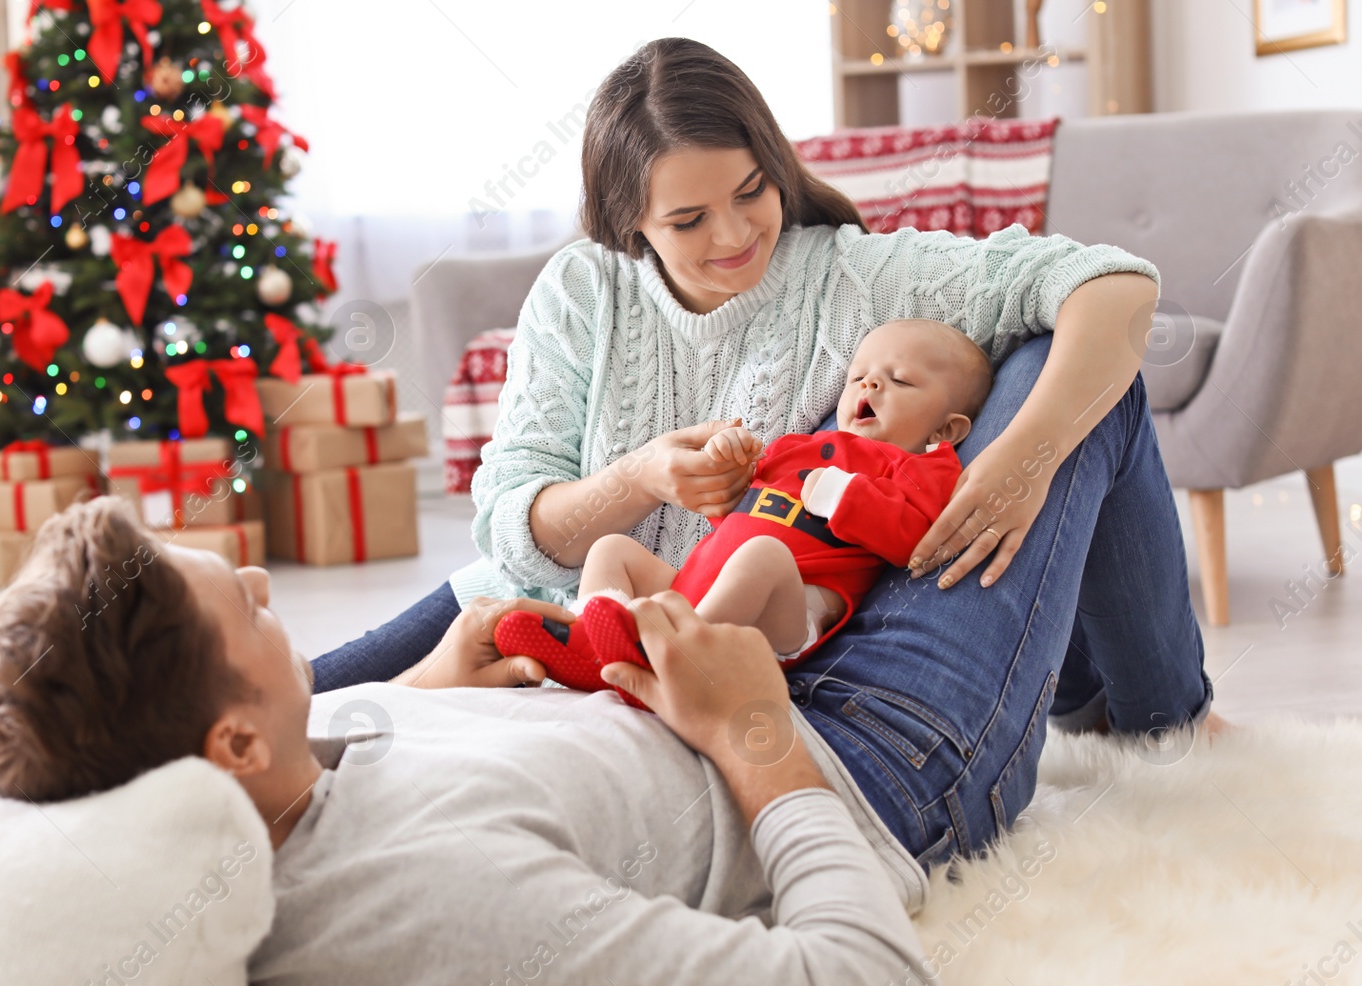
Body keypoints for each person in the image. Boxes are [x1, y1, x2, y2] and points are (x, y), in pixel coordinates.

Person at [312, 37, 1218, 867]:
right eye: (689, 219)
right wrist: (637, 478)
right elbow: (511, 528)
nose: (736, 235)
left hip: (758, 631)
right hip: (564, 601)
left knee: (1062, 371)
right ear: (630, 223)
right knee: (277, 704)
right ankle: (1121, 699)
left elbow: (1112, 282)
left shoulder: (847, 274)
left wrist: (1019, 459)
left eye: (752, 191)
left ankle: (1147, 710)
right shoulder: (583, 290)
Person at [0, 497, 940, 986]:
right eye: (245, 612)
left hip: (723, 679)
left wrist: (428, 686)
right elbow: (871, 980)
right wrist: (757, 729)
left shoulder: (259, 772)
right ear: (236, 745)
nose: (263, 584)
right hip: (865, 760)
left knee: (860, 431)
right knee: (1062, 361)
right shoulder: (432, 909)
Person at [497, 318, 990, 705]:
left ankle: (675, 660)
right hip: (698, 589)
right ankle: (591, 642)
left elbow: (915, 541)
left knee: (763, 555)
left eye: (899, 381)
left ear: (944, 430)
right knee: (613, 549)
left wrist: (846, 495)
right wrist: (728, 467)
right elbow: (738, 516)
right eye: (858, 376)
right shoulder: (799, 447)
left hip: (786, 613)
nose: (869, 386)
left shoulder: (922, 467)